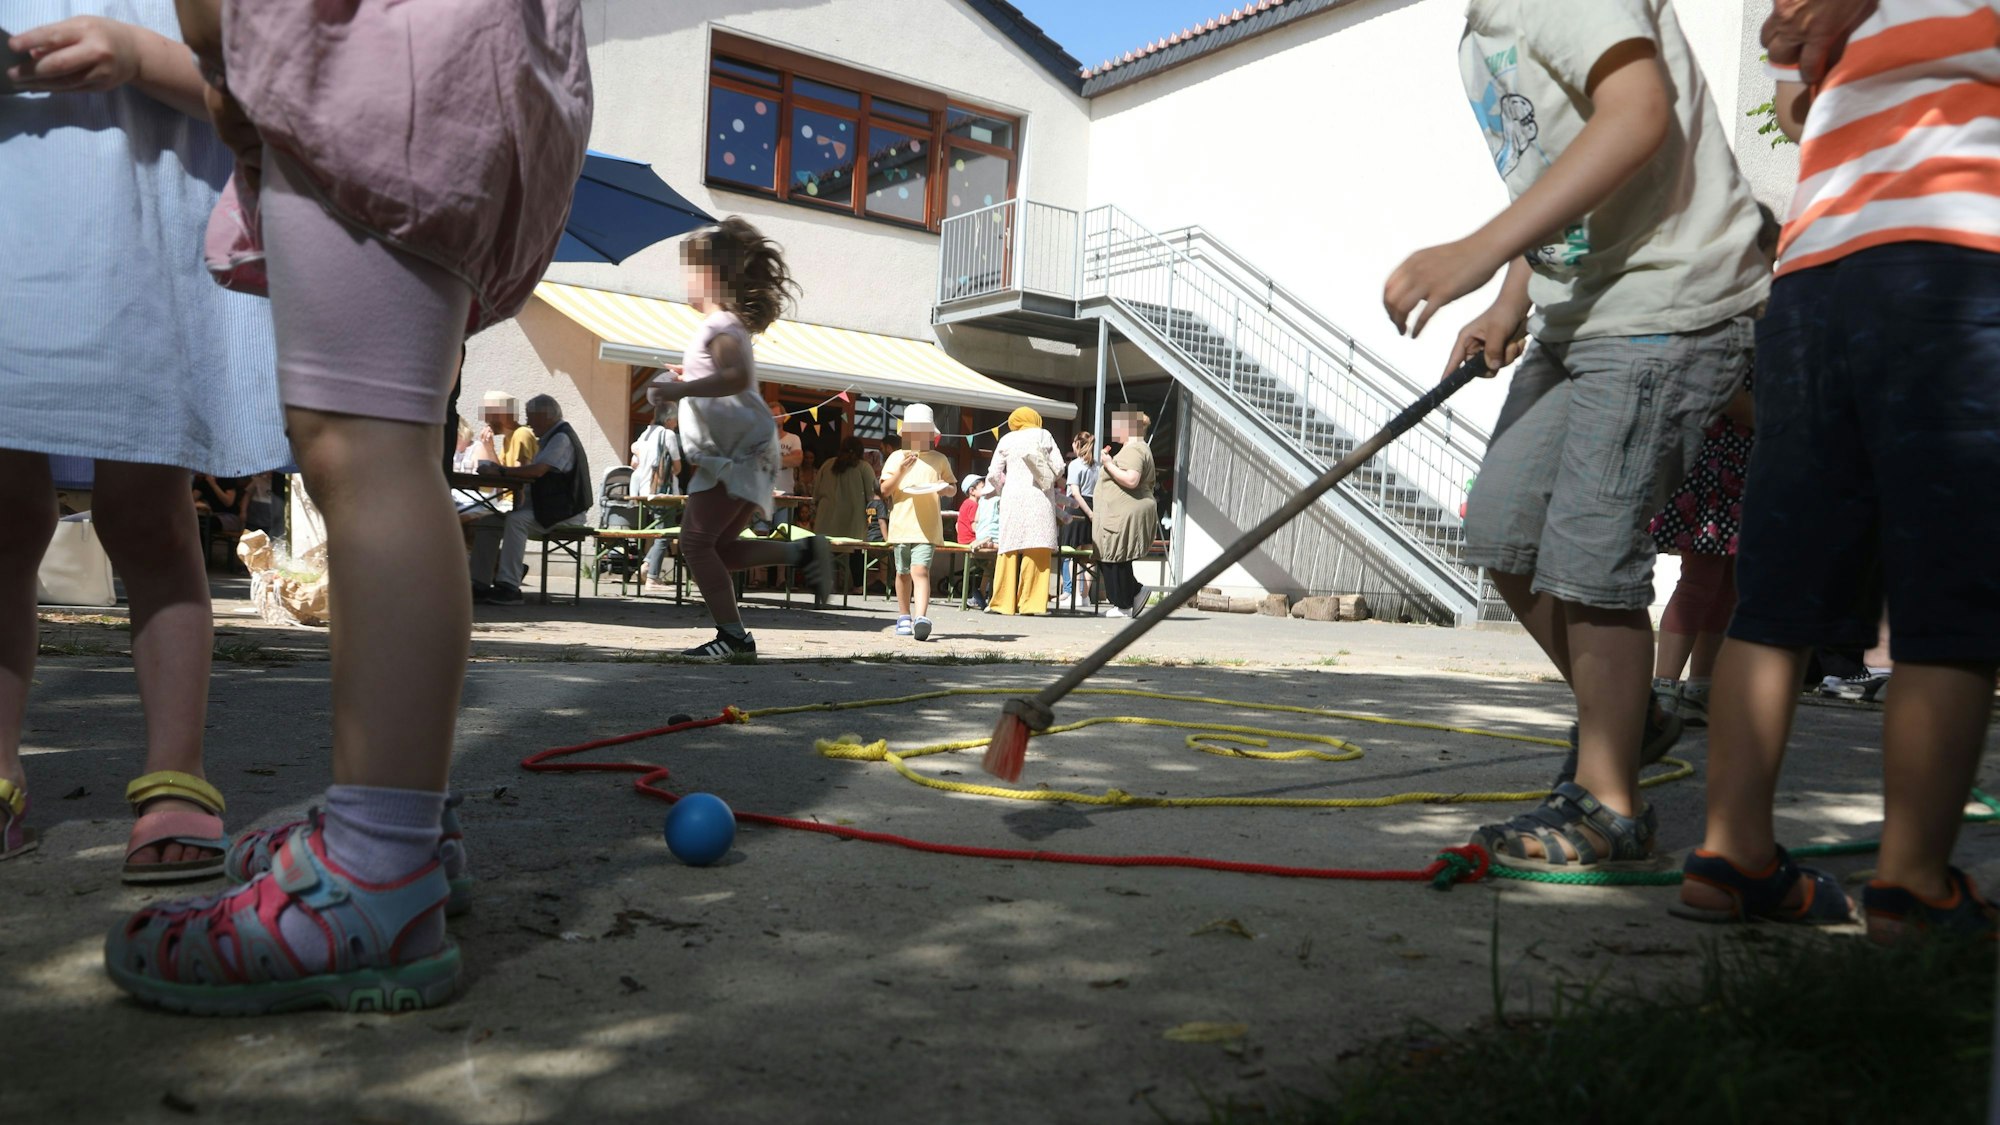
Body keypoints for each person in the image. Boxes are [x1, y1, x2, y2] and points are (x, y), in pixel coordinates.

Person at [102, 0, 591, 1015]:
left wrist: (222, 54)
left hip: (375, 53)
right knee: (382, 448)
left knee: (363, 453)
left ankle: (374, 873)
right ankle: (401, 825)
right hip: (429, 56)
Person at [1384, 0, 1770, 869]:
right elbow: (1557, 176)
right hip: (1576, 313)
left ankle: (1608, 805)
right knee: (1504, 531)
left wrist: (1477, 250)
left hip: (1666, 302)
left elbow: (1637, 114)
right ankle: (1634, 721)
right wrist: (1508, 301)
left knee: (1592, 556)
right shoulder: (1481, 32)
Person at [1676, 0, 2000, 940]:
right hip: (1956, 253)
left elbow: (1788, 108)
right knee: (1951, 595)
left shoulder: (1815, 10)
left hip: (1818, 279)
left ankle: (1730, 851)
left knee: (1776, 591)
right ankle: (1912, 884)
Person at [1, 4, 290, 885]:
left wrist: (139, 54)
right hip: (19, 230)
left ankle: (179, 775)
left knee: (152, 521)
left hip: (140, 236)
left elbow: (264, 97)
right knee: (2, 521)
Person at [645, 218, 833, 659]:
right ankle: (804, 554)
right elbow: (725, 377)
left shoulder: (721, 324)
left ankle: (733, 637)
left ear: (711, 275)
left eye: (689, 271)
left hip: (737, 454)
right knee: (721, 549)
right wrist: (688, 377)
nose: (684, 282)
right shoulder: (723, 326)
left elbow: (736, 377)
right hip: (742, 453)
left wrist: (681, 389)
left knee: (695, 544)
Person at [1647, 374, 1755, 727]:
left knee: (1729, 585)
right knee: (1700, 579)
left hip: (1745, 461)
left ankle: (1700, 688)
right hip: (1717, 460)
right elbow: (1725, 387)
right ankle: (1664, 687)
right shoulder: (1738, 327)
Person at [467, 395, 593, 606]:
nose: (529, 422)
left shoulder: (561, 438)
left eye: (532, 417)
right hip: (550, 509)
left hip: (566, 513)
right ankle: (479, 583)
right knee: (490, 521)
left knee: (516, 520)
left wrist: (499, 471)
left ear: (546, 416)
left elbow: (537, 471)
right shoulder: (552, 437)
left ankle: (509, 587)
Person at [879, 404, 956, 640]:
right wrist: (901, 470)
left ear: (931, 434)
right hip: (902, 524)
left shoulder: (939, 459)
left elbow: (952, 488)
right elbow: (884, 490)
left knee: (920, 570)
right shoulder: (896, 457)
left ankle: (921, 617)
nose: (920, 437)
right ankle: (904, 616)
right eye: (915, 432)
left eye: (924, 432)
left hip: (928, 526)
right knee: (902, 573)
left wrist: (945, 489)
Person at [984, 407, 1065, 616]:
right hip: (1039, 496)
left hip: (1012, 498)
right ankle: (1032, 605)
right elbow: (1059, 466)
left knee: (1008, 548)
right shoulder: (1043, 434)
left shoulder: (1006, 439)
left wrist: (1003, 488)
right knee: (1037, 547)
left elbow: (993, 474)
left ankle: (1002, 603)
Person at [1093, 409, 1158, 619]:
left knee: (1114, 556)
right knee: (1113, 556)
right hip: (1119, 513)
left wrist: (1108, 464)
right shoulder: (1134, 448)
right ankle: (1129, 598)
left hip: (1123, 514)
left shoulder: (1134, 449)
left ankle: (1125, 601)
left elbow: (1131, 479)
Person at [811, 436, 875, 594]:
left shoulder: (827, 465)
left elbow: (816, 492)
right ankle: (858, 586)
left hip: (826, 519)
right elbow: (872, 495)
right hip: (853, 520)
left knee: (827, 550)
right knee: (855, 550)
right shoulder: (864, 467)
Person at [631, 405, 683, 591]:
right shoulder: (667, 435)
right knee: (666, 533)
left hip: (645, 491)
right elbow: (677, 467)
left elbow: (634, 463)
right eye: (676, 420)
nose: (676, 424)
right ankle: (652, 578)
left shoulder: (644, 436)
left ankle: (646, 566)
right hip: (663, 492)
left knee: (660, 531)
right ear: (668, 419)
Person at [1060, 431, 1096, 603]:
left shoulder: (1075, 464)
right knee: (1088, 555)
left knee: (1070, 552)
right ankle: (1085, 595)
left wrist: (1087, 512)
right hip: (1094, 506)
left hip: (1076, 508)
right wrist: (1092, 512)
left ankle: (1071, 594)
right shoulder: (1096, 466)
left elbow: (1075, 493)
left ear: (1076, 444)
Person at [478, 391, 539, 469]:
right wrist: (490, 449)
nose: (486, 421)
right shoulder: (507, 438)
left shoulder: (522, 434)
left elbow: (520, 473)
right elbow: (500, 471)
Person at [956, 473, 990, 610]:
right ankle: (981, 592)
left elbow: (957, 526)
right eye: (982, 487)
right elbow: (974, 526)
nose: (985, 489)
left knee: (989, 562)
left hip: (964, 539)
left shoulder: (965, 504)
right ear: (972, 491)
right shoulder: (973, 505)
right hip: (971, 540)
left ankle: (981, 592)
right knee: (993, 559)